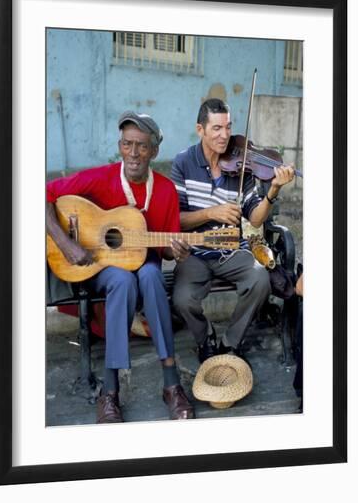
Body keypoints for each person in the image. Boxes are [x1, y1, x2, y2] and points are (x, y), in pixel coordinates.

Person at [46, 111, 194, 423]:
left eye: (141, 146)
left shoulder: (165, 190)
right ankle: (110, 391)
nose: (134, 153)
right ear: (120, 146)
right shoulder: (101, 177)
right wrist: (65, 242)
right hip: (100, 265)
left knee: (152, 274)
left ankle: (171, 383)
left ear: (154, 151)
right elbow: (43, 194)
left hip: (146, 261)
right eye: (128, 145)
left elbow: (166, 251)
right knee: (122, 281)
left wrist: (177, 251)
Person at [171, 98, 295, 363]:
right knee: (182, 299)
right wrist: (210, 213)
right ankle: (205, 338)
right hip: (195, 251)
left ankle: (230, 343)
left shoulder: (242, 165)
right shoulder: (183, 163)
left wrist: (273, 190)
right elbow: (177, 220)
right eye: (216, 128)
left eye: (228, 127)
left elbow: (257, 218)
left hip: (231, 250)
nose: (225, 135)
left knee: (260, 279)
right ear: (200, 129)